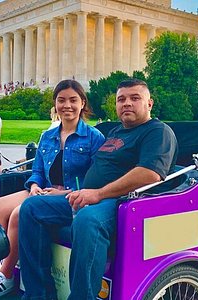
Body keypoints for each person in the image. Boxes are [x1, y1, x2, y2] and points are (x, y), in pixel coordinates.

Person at [18, 79, 178, 299]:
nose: (127, 103)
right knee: (31, 207)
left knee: (87, 220)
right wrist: (73, 192)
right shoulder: (116, 132)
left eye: (135, 98)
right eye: (121, 99)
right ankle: (39, 294)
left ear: (149, 104)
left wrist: (97, 194)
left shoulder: (158, 131)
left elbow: (150, 173)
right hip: (88, 197)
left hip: (124, 203)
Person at [0, 79, 105, 300]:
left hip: (70, 196)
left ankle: (6, 276)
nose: (67, 105)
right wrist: (35, 185)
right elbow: (37, 170)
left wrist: (62, 193)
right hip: (43, 191)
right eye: (61, 100)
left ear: (82, 103)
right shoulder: (48, 136)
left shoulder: (94, 137)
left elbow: (95, 181)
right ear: (55, 104)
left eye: (73, 100)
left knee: (20, 212)